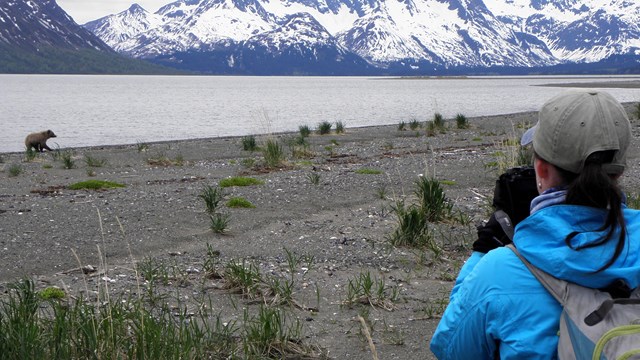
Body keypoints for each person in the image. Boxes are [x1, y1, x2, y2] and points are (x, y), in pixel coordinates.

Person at [429, 89, 640, 359]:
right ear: (619, 171)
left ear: (540, 170)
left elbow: (451, 348)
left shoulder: (498, 271)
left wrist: (483, 252)